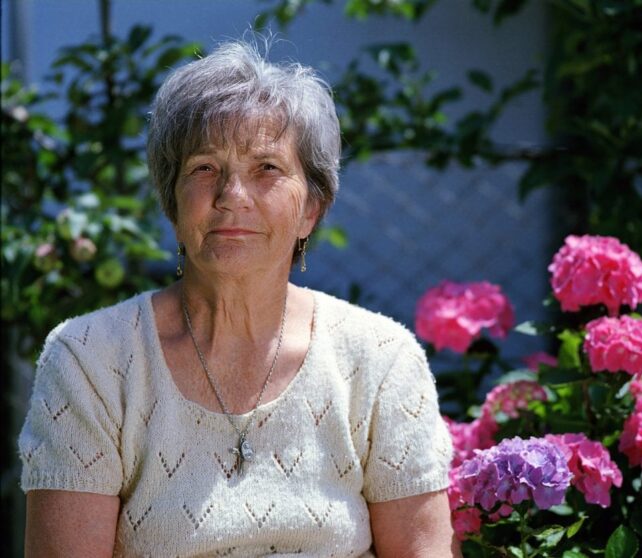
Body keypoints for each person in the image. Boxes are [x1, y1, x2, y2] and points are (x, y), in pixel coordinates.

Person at [19, 39, 459, 557]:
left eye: (267, 169)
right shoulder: (90, 358)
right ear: (173, 201)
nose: (233, 195)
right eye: (205, 168)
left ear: (311, 209)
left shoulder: (380, 359)